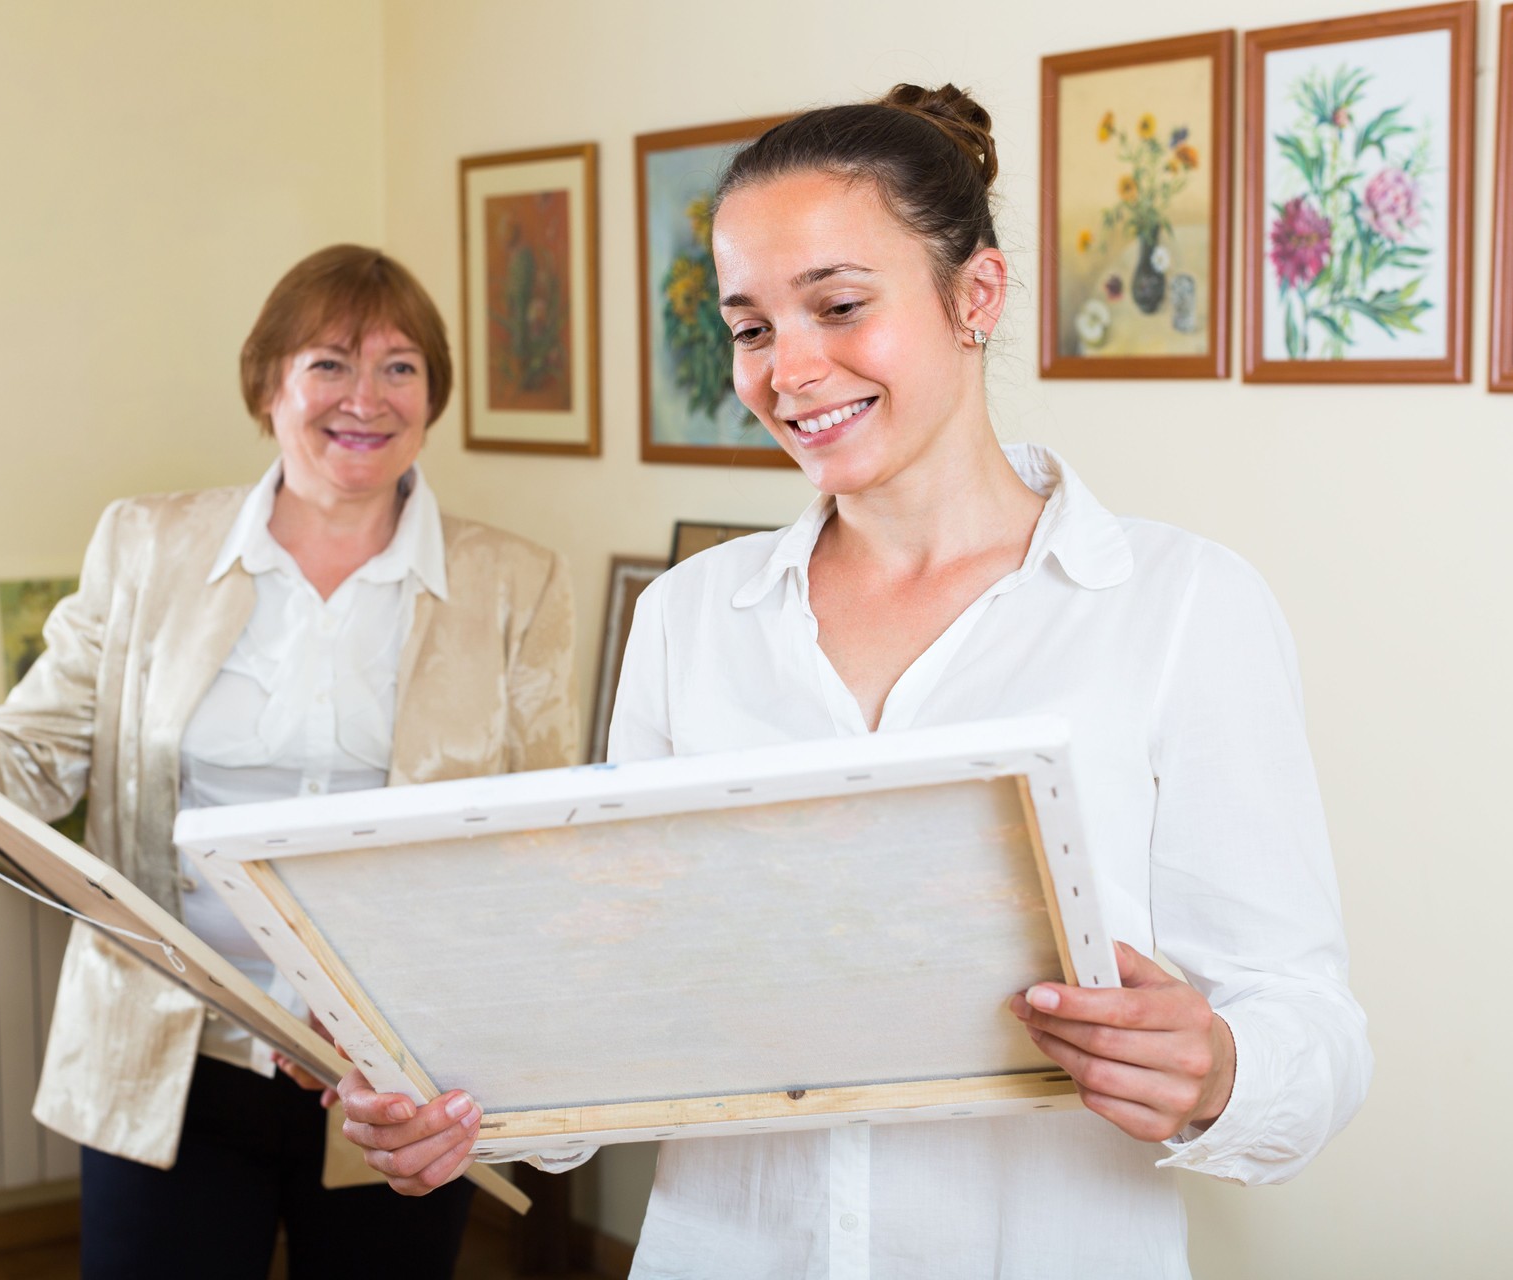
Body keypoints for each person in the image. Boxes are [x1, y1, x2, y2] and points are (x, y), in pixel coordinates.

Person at [335, 88, 1371, 1278]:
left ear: (974, 295)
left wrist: (1224, 1068)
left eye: (838, 306)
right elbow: (621, 1010)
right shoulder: (689, 621)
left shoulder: (1181, 603)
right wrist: (468, 1099)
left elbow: (1313, 1026)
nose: (791, 370)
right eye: (752, 327)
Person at [0, 244, 578, 1279]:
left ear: (433, 393)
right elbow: (24, 764)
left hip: (397, 1075)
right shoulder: (145, 546)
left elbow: (535, 848)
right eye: (329, 364)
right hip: (166, 1058)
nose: (366, 398)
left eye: (401, 366)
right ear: (267, 381)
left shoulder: (516, 583)